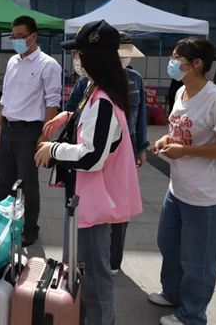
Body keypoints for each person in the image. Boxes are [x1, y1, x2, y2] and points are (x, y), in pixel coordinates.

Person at [37, 20, 143, 325]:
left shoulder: (103, 100)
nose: (76, 59)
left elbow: (92, 156)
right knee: (81, 271)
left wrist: (53, 150)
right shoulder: (95, 89)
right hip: (85, 198)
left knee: (94, 278)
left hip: (94, 203)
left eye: (79, 53)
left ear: (94, 57)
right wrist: (69, 116)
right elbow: (93, 124)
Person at [149, 38, 216, 325]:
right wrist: (165, 139)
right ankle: (172, 293)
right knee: (168, 245)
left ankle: (192, 315)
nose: (171, 62)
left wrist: (185, 151)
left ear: (196, 64)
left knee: (199, 261)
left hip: (206, 196)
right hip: (178, 188)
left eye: (176, 58)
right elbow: (178, 131)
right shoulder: (181, 91)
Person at [0, 15, 62, 246]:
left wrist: (44, 136)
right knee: (4, 180)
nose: (16, 40)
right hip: (8, 127)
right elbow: (5, 97)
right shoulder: (12, 62)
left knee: (28, 183)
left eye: (21, 36)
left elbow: (53, 103)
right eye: (13, 36)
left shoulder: (48, 65)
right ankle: (4, 225)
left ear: (34, 36)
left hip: (30, 131)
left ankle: (30, 229)